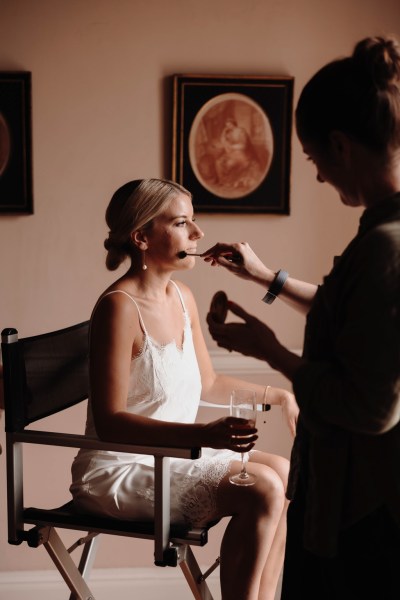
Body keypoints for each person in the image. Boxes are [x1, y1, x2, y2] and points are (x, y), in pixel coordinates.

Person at [203, 36, 400, 600]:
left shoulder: (385, 249)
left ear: (340, 146)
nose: (316, 177)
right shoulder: (381, 237)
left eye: (313, 160)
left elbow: (370, 407)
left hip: (364, 508)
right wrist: (267, 278)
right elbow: (358, 319)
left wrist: (274, 354)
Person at [70, 178, 299, 600]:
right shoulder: (118, 308)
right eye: (182, 223)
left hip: (175, 456)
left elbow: (208, 382)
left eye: (193, 222)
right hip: (121, 468)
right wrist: (204, 435)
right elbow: (109, 422)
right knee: (263, 487)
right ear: (141, 237)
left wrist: (281, 395)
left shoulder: (182, 296)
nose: (198, 234)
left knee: (285, 473)